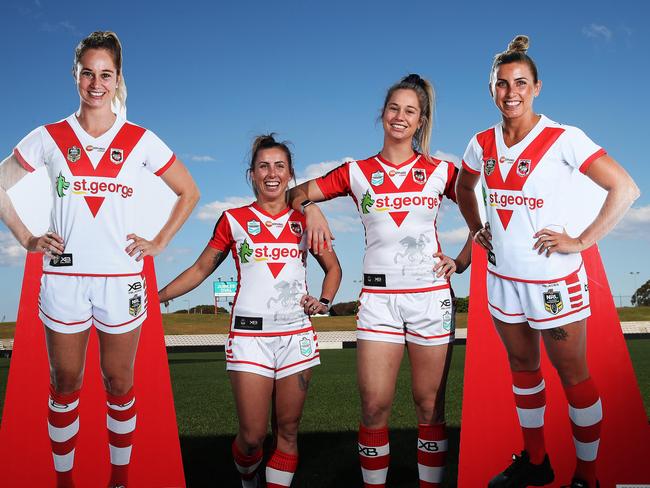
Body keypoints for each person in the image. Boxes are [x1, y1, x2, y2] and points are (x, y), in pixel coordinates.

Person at [0, 31, 200, 488]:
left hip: (121, 279)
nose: (96, 82)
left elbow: (189, 192)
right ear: (75, 75)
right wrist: (27, 237)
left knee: (119, 383)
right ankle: (66, 483)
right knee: (66, 383)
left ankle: (119, 479)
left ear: (117, 79)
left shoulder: (140, 139)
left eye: (105, 74)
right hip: (64, 279)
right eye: (87, 72)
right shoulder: (49, 136)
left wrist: (160, 240)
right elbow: (0, 182)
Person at [456, 35, 640, 488]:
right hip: (502, 278)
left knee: (573, 374)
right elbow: (465, 188)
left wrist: (580, 240)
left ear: (537, 86)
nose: (511, 92)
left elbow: (626, 188)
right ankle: (538, 464)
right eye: (502, 84)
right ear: (491, 90)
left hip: (552, 282)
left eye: (521, 82)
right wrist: (477, 226)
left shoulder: (564, 138)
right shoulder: (480, 142)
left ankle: (588, 475)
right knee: (523, 370)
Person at [289, 74, 472, 488]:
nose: (400, 117)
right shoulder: (356, 172)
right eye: (394, 108)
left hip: (430, 299)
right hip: (377, 302)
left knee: (429, 408)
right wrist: (310, 209)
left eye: (410, 111)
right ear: (382, 114)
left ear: (421, 120)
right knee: (374, 407)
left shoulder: (443, 172)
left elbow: (489, 216)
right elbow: (294, 193)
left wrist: (460, 263)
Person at [158, 134, 341, 488]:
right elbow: (199, 270)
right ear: (252, 174)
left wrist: (325, 301)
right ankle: (248, 479)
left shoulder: (306, 221)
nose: (271, 173)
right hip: (249, 338)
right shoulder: (233, 220)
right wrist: (157, 295)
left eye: (279, 166)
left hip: (296, 336)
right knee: (254, 435)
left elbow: (334, 269)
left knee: (287, 431)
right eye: (263, 166)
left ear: (290, 175)